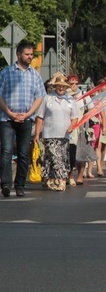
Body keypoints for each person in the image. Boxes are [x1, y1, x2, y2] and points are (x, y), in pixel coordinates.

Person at [0, 40, 46, 198]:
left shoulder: (35, 75)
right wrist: (10, 113)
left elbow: (39, 97)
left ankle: (20, 185)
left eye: (31, 54)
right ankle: (6, 184)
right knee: (6, 151)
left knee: (24, 153)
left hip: (26, 118)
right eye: (27, 54)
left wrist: (28, 114)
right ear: (18, 54)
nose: (30, 57)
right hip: (7, 118)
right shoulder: (6, 72)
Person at [34, 73, 79, 191]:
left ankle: (62, 180)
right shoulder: (48, 99)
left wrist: (71, 126)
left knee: (61, 158)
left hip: (64, 134)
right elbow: (40, 117)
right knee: (51, 157)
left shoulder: (70, 100)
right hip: (49, 133)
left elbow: (75, 117)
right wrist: (37, 134)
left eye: (63, 86)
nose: (61, 88)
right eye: (59, 86)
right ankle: (49, 179)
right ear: (55, 87)